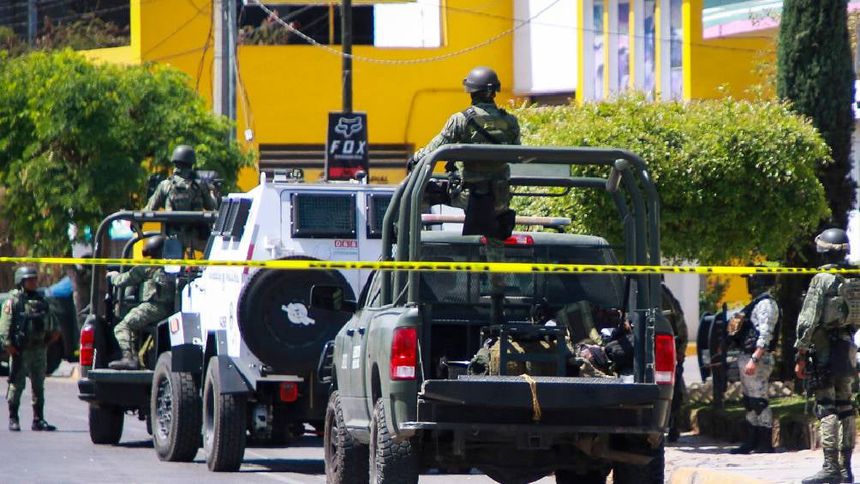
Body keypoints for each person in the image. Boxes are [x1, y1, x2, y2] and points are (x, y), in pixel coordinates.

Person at [408, 66, 521, 322]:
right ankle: (497, 298)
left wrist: (415, 158)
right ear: (495, 91)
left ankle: (407, 244)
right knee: (495, 240)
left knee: (422, 193)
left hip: (469, 196)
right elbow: (518, 153)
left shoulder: (460, 120)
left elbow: (434, 148)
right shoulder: (510, 121)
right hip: (499, 199)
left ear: (471, 91)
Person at [795, 228, 858, 483]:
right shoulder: (853, 278)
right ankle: (846, 469)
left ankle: (830, 467)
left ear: (823, 252)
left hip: (824, 351)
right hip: (847, 348)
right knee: (846, 407)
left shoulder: (821, 279)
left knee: (826, 406)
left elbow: (808, 319)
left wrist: (801, 352)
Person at [0, 267, 58, 432]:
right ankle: (13, 418)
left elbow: (53, 324)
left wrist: (48, 341)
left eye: (34, 279)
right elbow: (5, 326)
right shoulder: (14, 301)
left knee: (38, 385)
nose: (33, 282)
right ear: (21, 281)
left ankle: (38, 419)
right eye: (29, 280)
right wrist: (9, 345)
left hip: (38, 349)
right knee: (16, 385)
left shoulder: (42, 301)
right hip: (21, 350)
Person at [727, 272, 779, 454]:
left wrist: (755, 358)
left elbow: (766, 333)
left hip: (757, 358)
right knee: (749, 401)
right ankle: (751, 441)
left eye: (751, 279)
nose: (749, 283)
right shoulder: (756, 303)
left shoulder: (766, 304)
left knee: (759, 401)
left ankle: (765, 442)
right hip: (747, 355)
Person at [106, 236, 176, 370]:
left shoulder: (148, 266)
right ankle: (136, 358)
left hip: (152, 307)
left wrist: (113, 276)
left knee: (122, 327)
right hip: (171, 309)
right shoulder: (174, 266)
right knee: (134, 328)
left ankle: (128, 358)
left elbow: (123, 280)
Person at [144, 145, 217, 253]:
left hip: (173, 236)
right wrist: (213, 194)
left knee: (170, 261)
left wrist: (137, 223)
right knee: (213, 253)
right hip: (197, 237)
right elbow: (211, 206)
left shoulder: (166, 184)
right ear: (191, 163)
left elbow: (150, 208)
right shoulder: (200, 184)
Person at [661, 282, 689, 443]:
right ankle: (673, 426)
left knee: (675, 393)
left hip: (668, 349)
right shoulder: (665, 294)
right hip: (668, 349)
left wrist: (680, 352)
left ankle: (674, 426)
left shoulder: (664, 295)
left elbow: (679, 324)